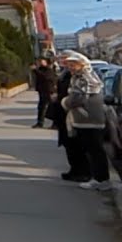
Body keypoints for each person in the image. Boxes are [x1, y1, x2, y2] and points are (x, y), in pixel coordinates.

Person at [59, 51, 113, 191]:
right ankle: (97, 178)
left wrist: (65, 102)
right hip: (84, 119)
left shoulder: (85, 77)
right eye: (69, 65)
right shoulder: (78, 77)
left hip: (90, 120)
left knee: (95, 150)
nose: (70, 67)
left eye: (73, 65)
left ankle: (102, 180)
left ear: (81, 65)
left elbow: (77, 98)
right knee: (91, 150)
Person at [32, 58, 56, 128]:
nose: (40, 62)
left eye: (42, 61)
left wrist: (35, 70)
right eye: (39, 61)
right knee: (41, 107)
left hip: (48, 91)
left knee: (51, 107)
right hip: (42, 91)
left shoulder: (49, 70)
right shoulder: (40, 69)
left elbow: (44, 77)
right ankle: (40, 123)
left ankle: (55, 123)